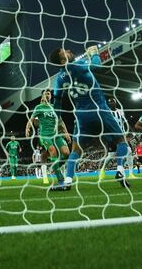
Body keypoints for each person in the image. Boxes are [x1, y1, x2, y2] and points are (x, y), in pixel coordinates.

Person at [49, 45, 130, 189]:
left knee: (76, 150)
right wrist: (94, 54)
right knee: (121, 140)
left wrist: (58, 119)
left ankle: (67, 181)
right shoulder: (77, 66)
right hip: (100, 110)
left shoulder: (60, 79)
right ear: (63, 61)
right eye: (65, 51)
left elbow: (57, 100)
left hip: (82, 117)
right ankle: (120, 170)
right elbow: (97, 66)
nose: (69, 50)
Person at [26, 90, 71, 189]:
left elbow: (60, 120)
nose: (47, 95)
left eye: (49, 93)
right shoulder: (39, 107)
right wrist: (27, 128)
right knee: (52, 152)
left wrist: (66, 132)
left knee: (66, 153)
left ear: (51, 96)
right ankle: (60, 179)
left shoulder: (54, 107)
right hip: (45, 135)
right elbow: (32, 119)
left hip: (56, 134)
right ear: (42, 96)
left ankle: (55, 166)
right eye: (45, 93)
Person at [99, 98, 135, 180]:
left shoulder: (120, 111)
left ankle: (130, 173)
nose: (111, 103)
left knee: (129, 152)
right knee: (111, 155)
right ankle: (103, 169)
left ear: (115, 103)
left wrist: (131, 132)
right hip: (112, 136)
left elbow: (125, 122)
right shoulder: (107, 113)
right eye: (110, 102)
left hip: (121, 135)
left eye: (113, 102)